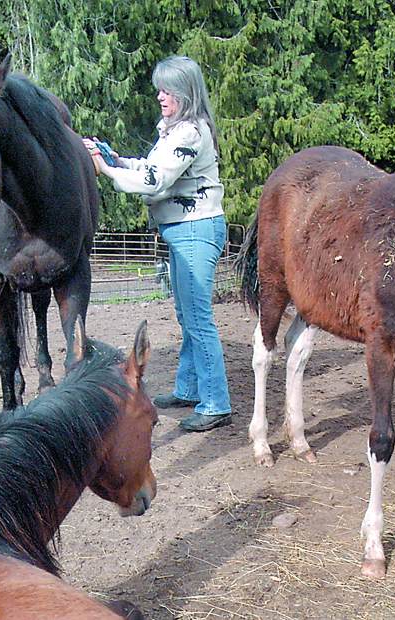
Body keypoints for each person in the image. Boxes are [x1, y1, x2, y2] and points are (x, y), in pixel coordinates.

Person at [84, 56, 231, 432]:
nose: (161, 97)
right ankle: (189, 388)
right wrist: (116, 159)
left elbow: (154, 181)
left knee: (199, 318)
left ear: (186, 93)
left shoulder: (189, 133)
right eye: (160, 90)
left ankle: (215, 403)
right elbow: (151, 168)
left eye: (168, 91)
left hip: (196, 229)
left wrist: (106, 170)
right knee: (188, 316)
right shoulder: (174, 130)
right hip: (184, 230)